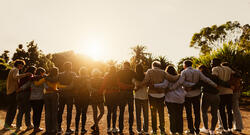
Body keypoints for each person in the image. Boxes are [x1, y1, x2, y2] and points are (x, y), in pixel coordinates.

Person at [154, 65, 194, 135]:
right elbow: (185, 84)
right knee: (179, 115)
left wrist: (155, 85)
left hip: (170, 99)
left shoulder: (167, 78)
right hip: (180, 99)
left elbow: (164, 85)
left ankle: (173, 131)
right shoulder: (179, 77)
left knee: (172, 115)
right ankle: (180, 131)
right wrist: (193, 85)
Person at [181, 60, 217, 135]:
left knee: (189, 113)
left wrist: (188, 85)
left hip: (187, 95)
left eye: (183, 65)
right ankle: (197, 130)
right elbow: (206, 80)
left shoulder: (184, 72)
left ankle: (191, 130)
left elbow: (181, 82)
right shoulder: (197, 72)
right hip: (196, 95)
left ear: (185, 65)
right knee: (197, 113)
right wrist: (214, 85)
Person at [140, 61, 175, 135]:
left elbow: (145, 81)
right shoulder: (163, 72)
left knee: (153, 113)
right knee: (161, 113)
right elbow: (171, 78)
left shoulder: (150, 71)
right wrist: (179, 76)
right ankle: (162, 130)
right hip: (161, 95)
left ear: (153, 65)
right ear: (159, 66)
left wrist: (139, 85)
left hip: (152, 95)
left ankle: (154, 130)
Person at [34, 67, 66, 134]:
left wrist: (35, 78)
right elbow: (59, 85)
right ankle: (54, 129)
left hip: (47, 96)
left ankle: (48, 129)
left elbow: (37, 84)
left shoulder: (46, 78)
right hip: (54, 95)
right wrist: (66, 87)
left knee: (47, 113)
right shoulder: (57, 78)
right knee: (54, 113)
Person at [3, 59, 32, 130]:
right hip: (13, 92)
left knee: (11, 109)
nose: (22, 66)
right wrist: (26, 74)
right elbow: (15, 77)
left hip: (10, 91)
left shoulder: (12, 69)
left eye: (23, 65)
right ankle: (7, 126)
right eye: (21, 65)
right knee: (12, 110)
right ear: (18, 64)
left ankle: (8, 124)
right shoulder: (15, 70)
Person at [20, 67, 47, 133]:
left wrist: (19, 89)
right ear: (41, 73)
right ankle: (37, 127)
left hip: (32, 99)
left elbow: (25, 86)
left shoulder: (32, 79)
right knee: (38, 113)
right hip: (40, 99)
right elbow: (46, 87)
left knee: (35, 113)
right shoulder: (42, 79)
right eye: (43, 73)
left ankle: (35, 127)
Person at [211, 59, 234, 134]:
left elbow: (215, 79)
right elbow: (236, 74)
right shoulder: (228, 68)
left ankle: (225, 129)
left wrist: (226, 84)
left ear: (215, 63)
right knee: (229, 110)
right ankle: (230, 128)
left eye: (211, 62)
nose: (211, 64)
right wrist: (230, 85)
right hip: (230, 92)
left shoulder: (215, 69)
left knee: (222, 111)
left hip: (221, 93)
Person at [197, 65, 220, 135]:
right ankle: (212, 130)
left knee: (204, 111)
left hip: (206, 94)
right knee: (214, 113)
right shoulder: (214, 76)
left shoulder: (202, 76)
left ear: (200, 70)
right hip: (216, 95)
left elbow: (198, 84)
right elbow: (221, 82)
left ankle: (206, 128)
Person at [117, 62, 136, 134]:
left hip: (122, 93)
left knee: (121, 112)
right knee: (131, 112)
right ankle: (130, 129)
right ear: (129, 66)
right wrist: (131, 86)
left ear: (123, 65)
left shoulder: (119, 72)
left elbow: (117, 82)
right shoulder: (132, 72)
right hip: (130, 93)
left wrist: (123, 86)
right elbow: (135, 82)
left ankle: (121, 129)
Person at [57, 62, 76, 134]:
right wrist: (67, 88)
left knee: (60, 111)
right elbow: (72, 86)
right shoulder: (73, 74)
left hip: (61, 95)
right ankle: (68, 129)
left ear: (64, 67)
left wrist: (61, 89)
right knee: (69, 112)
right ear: (70, 67)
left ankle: (59, 128)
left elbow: (58, 85)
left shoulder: (59, 74)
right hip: (70, 95)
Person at [15, 66, 36, 132]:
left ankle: (18, 126)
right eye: (35, 70)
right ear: (33, 70)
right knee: (27, 110)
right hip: (26, 94)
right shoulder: (30, 75)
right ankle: (28, 125)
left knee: (21, 111)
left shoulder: (23, 75)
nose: (35, 72)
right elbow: (29, 84)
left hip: (20, 94)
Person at [101, 66, 119, 133]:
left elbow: (103, 85)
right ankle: (114, 128)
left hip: (108, 94)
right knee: (114, 112)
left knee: (109, 112)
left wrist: (101, 93)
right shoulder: (117, 76)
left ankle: (108, 127)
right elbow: (119, 85)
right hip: (115, 94)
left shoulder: (106, 76)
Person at [72, 67, 90, 134]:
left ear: (80, 72)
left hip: (77, 98)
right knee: (84, 113)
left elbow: (73, 87)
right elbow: (89, 88)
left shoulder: (75, 78)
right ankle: (82, 128)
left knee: (78, 113)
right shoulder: (87, 79)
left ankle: (76, 129)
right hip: (85, 97)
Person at [133, 64, 149, 135]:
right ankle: (145, 130)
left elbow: (134, 86)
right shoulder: (146, 76)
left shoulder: (134, 77)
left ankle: (139, 130)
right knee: (146, 114)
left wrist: (137, 87)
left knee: (138, 114)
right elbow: (148, 84)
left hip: (137, 97)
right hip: (145, 96)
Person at [90, 68, 105, 133]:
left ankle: (95, 125)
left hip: (95, 96)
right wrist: (98, 91)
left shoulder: (100, 79)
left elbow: (90, 88)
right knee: (100, 112)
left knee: (97, 112)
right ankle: (96, 126)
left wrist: (95, 90)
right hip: (98, 96)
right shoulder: (99, 79)